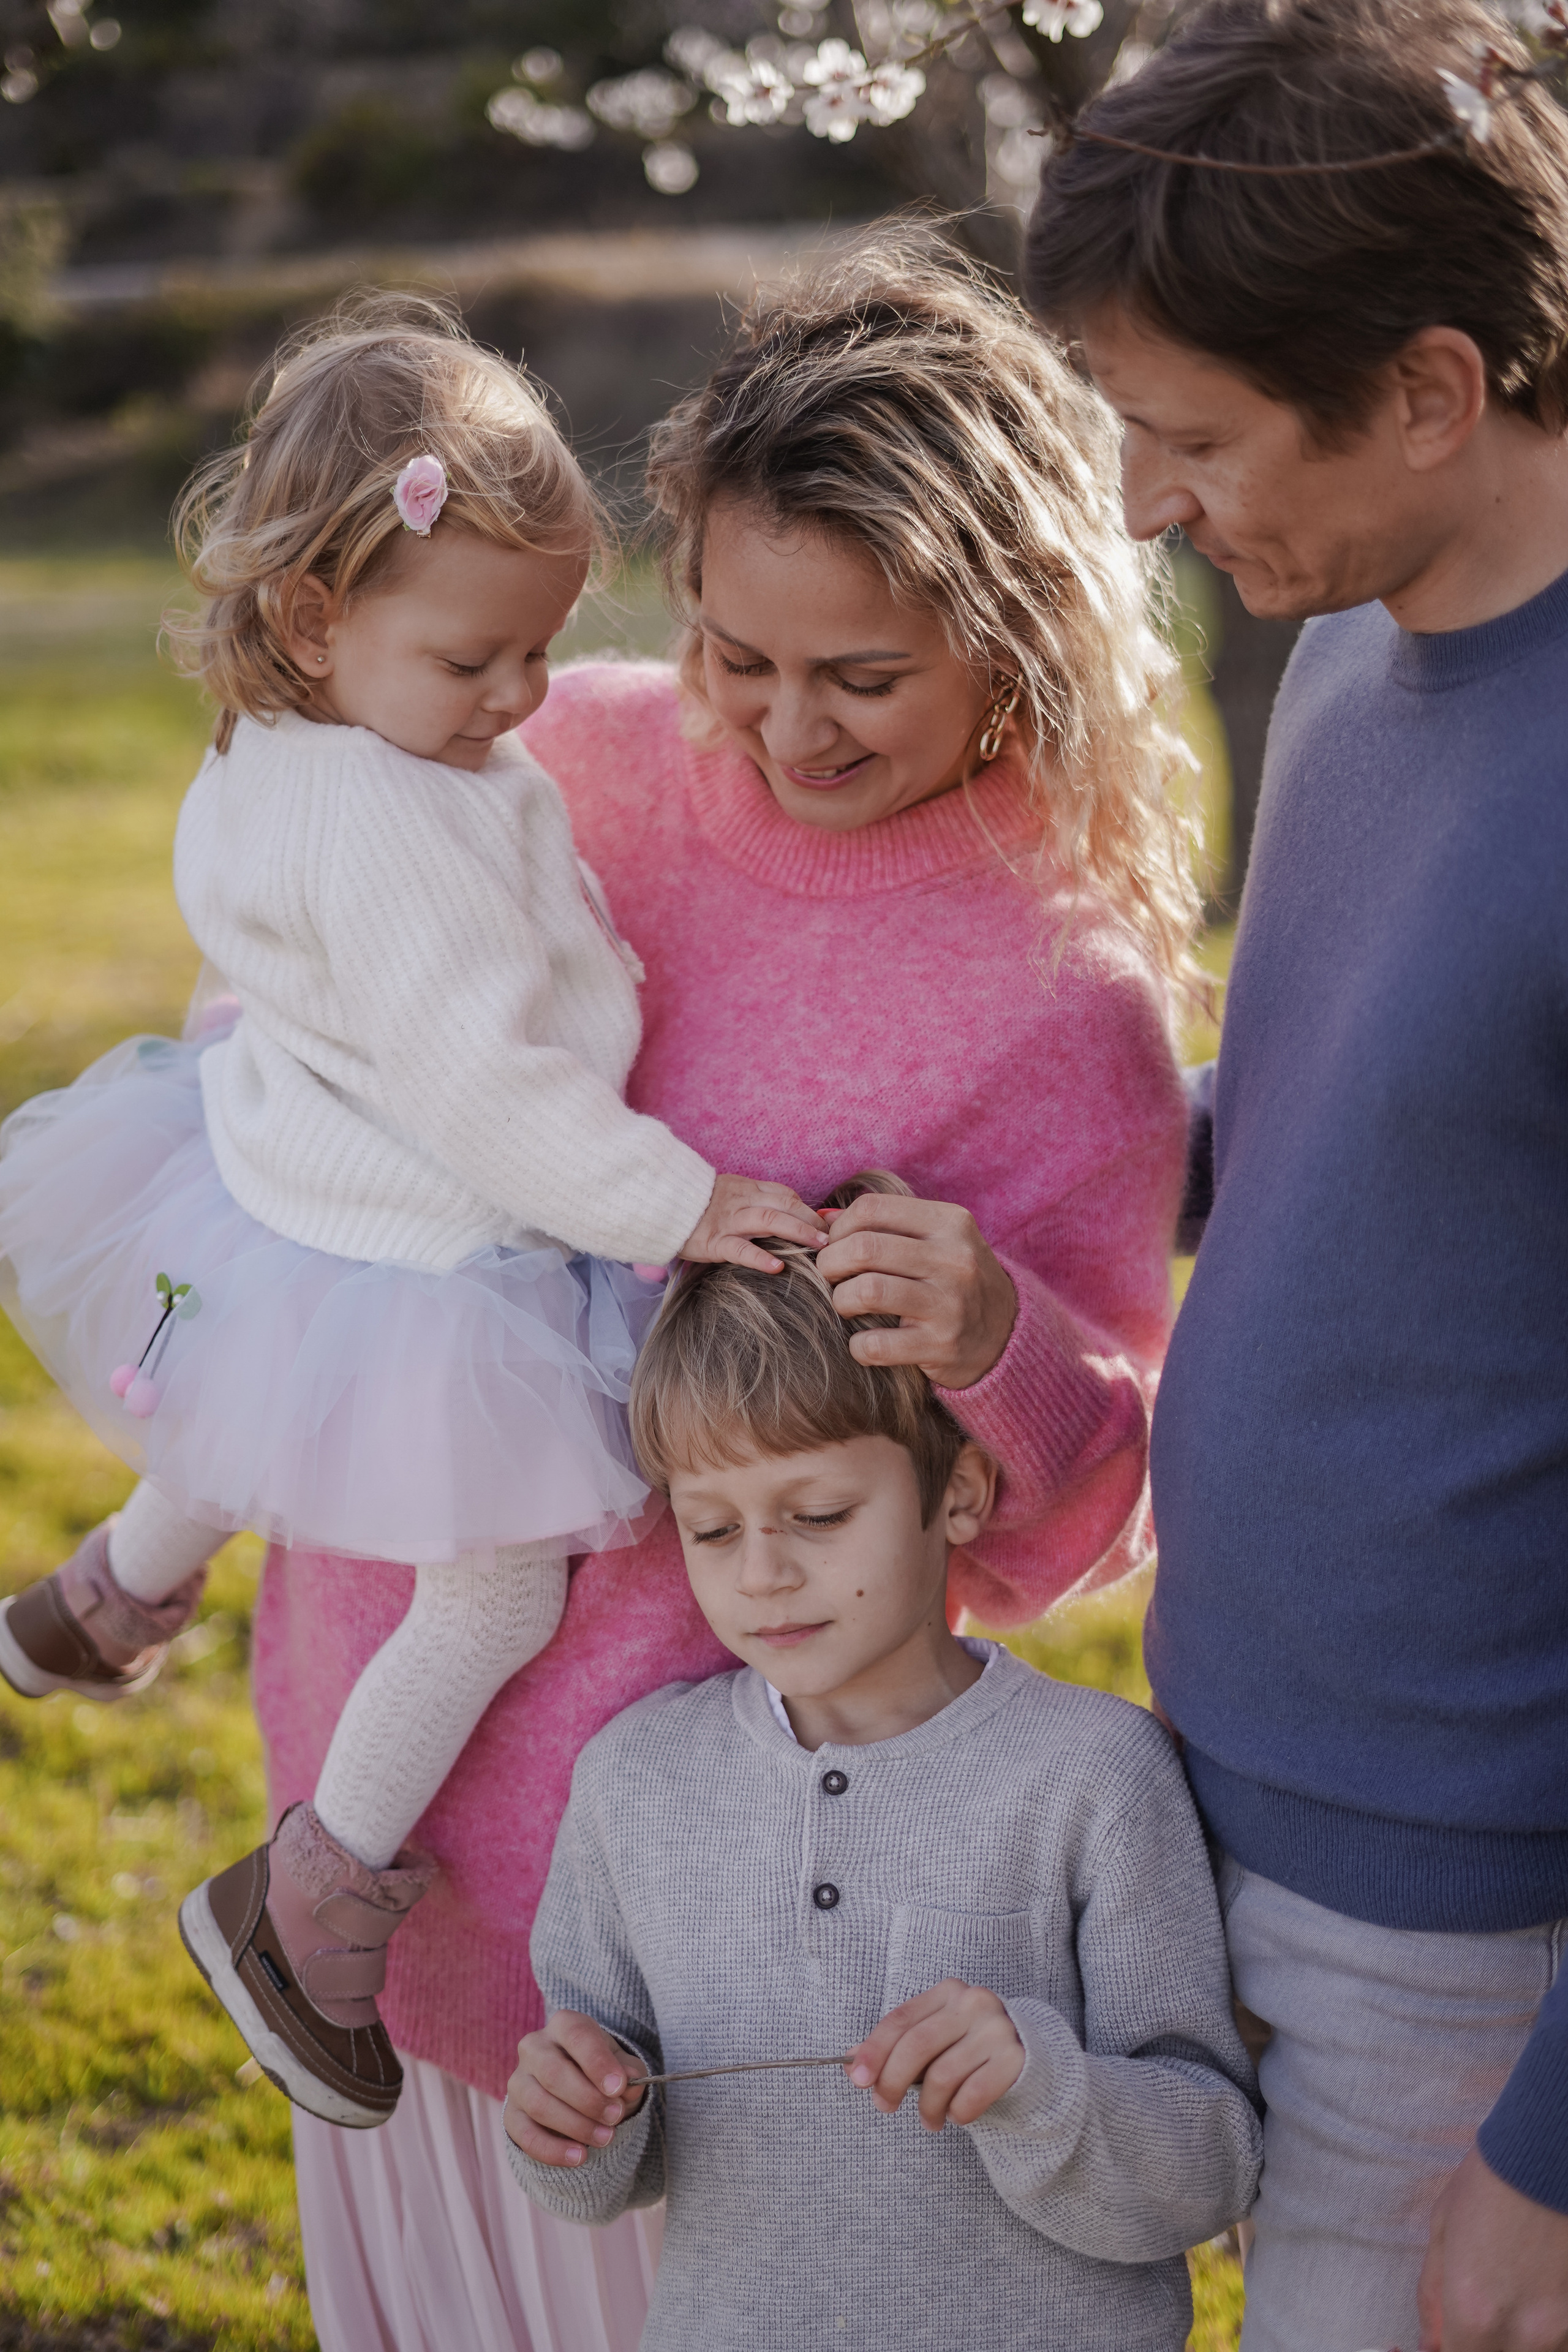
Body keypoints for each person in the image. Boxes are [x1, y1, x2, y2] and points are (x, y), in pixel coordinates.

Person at [256, 228, 1199, 2350]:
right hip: (376, 1777)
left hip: (692, 1925)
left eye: (860, 674)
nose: (783, 726)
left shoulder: (1057, 1005)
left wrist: (997, 1345)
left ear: (1020, 628)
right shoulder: (557, 761)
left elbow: (1072, 1528)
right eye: (731, 655)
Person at [0, 297, 827, 2130]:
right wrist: (681, 1202)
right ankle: (310, 1902)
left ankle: (104, 1594)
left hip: (293, 1169)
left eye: (542, 652)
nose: (522, 700)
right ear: (316, 616)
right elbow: (491, 1096)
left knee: (248, 1394)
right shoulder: (394, 824)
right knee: (497, 1587)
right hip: (433, 1224)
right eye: (478, 663)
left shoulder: (290, 738)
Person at [1025, 5, 1568, 2348]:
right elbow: (1364, 1123)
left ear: (1434, 392)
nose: (1149, 505)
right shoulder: (1353, 642)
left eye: (1196, 440)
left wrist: (1554, 2155)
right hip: (1212, 1784)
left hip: (1464, 1933)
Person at [503, 1175, 1262, 2352]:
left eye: (817, 1515)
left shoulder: (1093, 1774)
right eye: (713, 1528)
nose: (761, 1574)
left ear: (955, 1495)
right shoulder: (636, 1784)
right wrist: (566, 2125)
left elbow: (1207, 2167)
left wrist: (1038, 2086)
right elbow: (604, 2172)